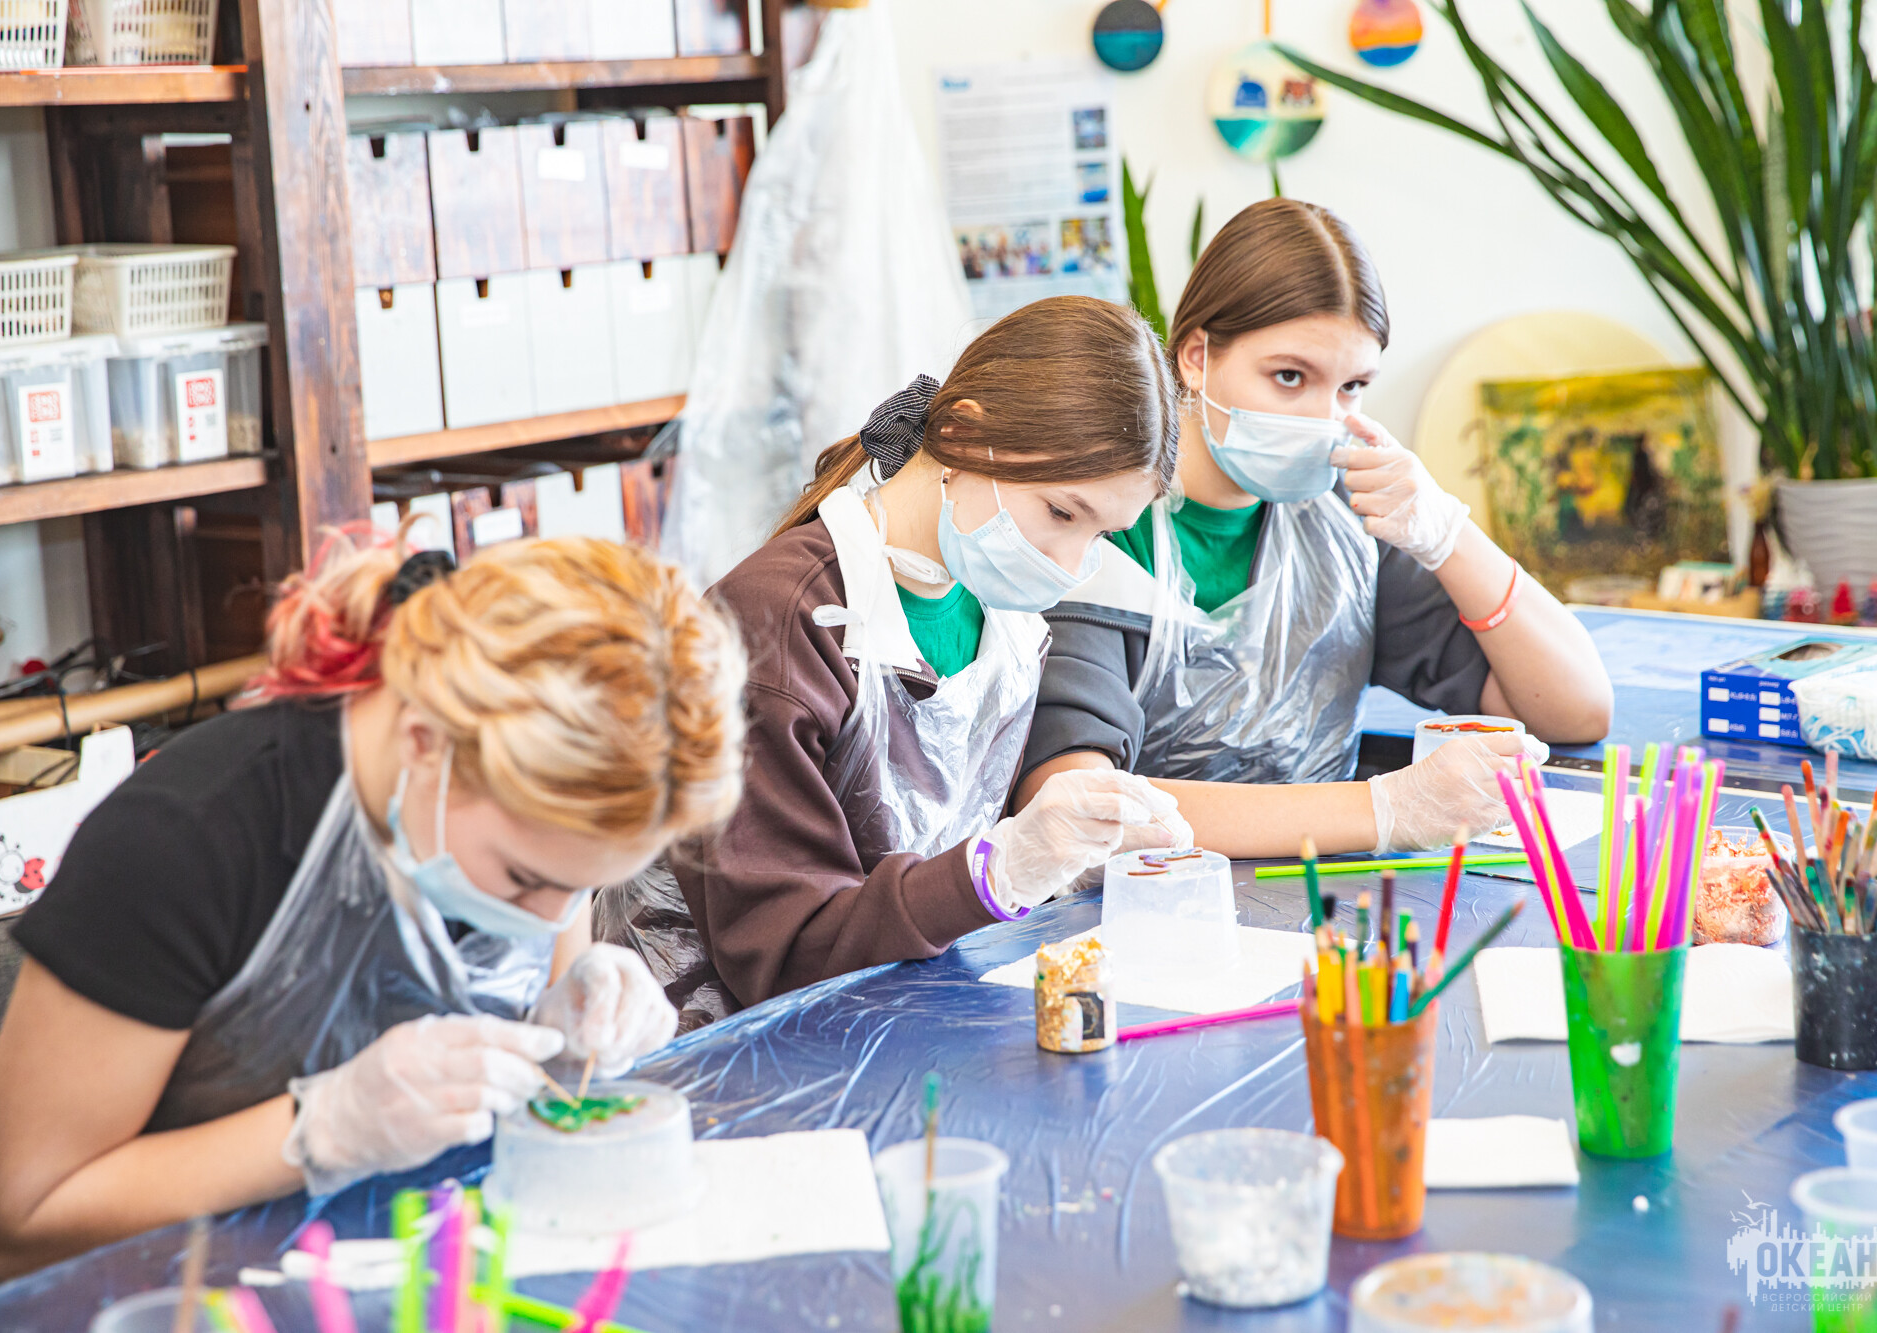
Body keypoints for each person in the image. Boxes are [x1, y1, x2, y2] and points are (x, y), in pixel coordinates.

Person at [0, 533, 746, 1279]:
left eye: (584, 886)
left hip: (438, 1265)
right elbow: (16, 1224)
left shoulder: (532, 824)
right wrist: (321, 1129)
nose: (551, 919)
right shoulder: (180, 841)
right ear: (424, 741)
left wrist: (572, 1022)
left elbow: (545, 986)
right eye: (521, 879)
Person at [1017, 200, 1613, 857]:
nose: (1322, 419)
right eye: (1290, 377)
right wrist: (1386, 809)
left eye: (1351, 387)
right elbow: (1072, 806)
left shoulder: (1344, 522)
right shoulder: (1093, 523)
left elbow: (1574, 709)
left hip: (1314, 896)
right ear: (1196, 356)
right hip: (1143, 904)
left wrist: (1448, 534)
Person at [655, 296, 1189, 1020]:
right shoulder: (778, 624)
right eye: (1062, 513)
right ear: (964, 431)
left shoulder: (1005, 620)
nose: (1069, 565)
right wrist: (997, 872)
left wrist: (1072, 852)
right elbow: (784, 956)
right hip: (738, 1045)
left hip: (904, 1013)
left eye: (1100, 535)